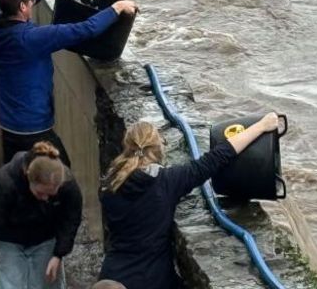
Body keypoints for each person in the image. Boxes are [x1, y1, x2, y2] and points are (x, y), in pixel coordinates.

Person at [98, 114, 280, 289]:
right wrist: (261, 126)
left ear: (126, 147)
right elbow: (217, 157)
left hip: (111, 277)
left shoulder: (110, 182)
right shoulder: (167, 182)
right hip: (150, 279)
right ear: (158, 148)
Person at [0, 0, 138, 166]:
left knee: (17, 176)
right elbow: (85, 29)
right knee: (61, 174)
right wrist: (116, 8)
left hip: (9, 124)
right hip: (34, 127)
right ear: (23, 7)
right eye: (30, 1)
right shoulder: (33, 39)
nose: (33, 1)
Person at [0, 142, 82, 289]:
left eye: (51, 195)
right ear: (28, 177)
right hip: (9, 239)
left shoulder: (67, 185)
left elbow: (71, 220)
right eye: (41, 193)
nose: (46, 199)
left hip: (45, 237)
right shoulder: (3, 183)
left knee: (45, 284)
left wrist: (58, 254)